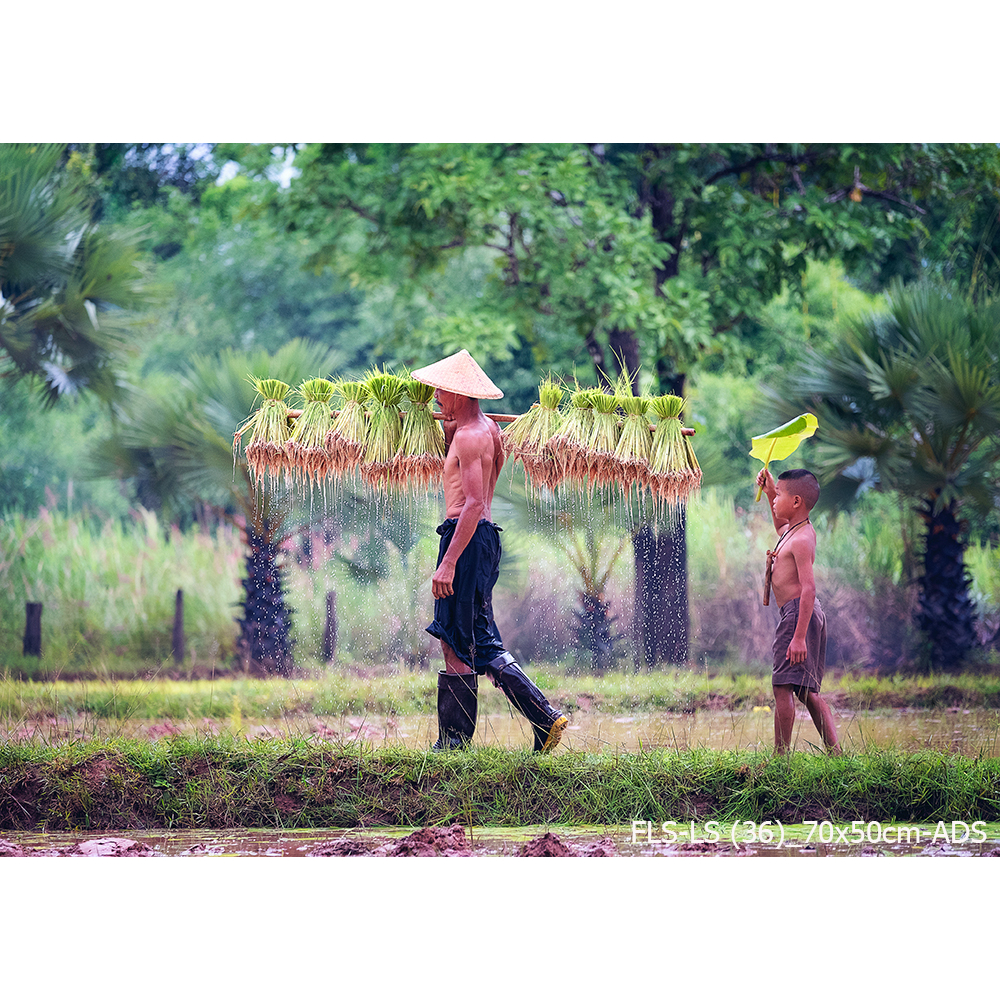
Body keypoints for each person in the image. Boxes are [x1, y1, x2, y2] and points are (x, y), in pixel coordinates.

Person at [410, 349, 569, 753]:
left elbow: (474, 504)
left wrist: (447, 564)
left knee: (457, 637)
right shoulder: (481, 431)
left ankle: (454, 742)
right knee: (472, 634)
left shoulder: (471, 436)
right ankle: (543, 718)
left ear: (461, 393)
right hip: (478, 540)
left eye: (441, 390)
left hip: (466, 538)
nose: (435, 396)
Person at [755, 467, 840, 754]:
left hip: (798, 615)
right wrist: (769, 492)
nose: (775, 501)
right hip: (798, 614)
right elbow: (780, 528)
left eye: (779, 495)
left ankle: (780, 757)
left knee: (782, 686)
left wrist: (799, 637)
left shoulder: (802, 539)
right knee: (806, 691)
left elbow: (809, 589)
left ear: (796, 502)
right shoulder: (794, 531)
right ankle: (835, 752)